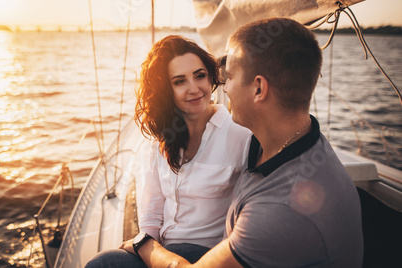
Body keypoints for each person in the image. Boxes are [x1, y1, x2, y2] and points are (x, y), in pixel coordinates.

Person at [119, 18, 364, 267]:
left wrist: (145, 245)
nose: (222, 89)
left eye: (230, 77)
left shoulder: (277, 208)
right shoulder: (287, 146)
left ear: (258, 88)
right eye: (180, 81)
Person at [85, 35, 251, 267]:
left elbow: (243, 221)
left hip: (209, 255)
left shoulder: (241, 135)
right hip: (160, 251)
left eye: (200, 76)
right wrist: (149, 247)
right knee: (102, 263)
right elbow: (152, 209)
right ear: (166, 90)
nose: (194, 89)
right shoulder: (161, 140)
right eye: (180, 81)